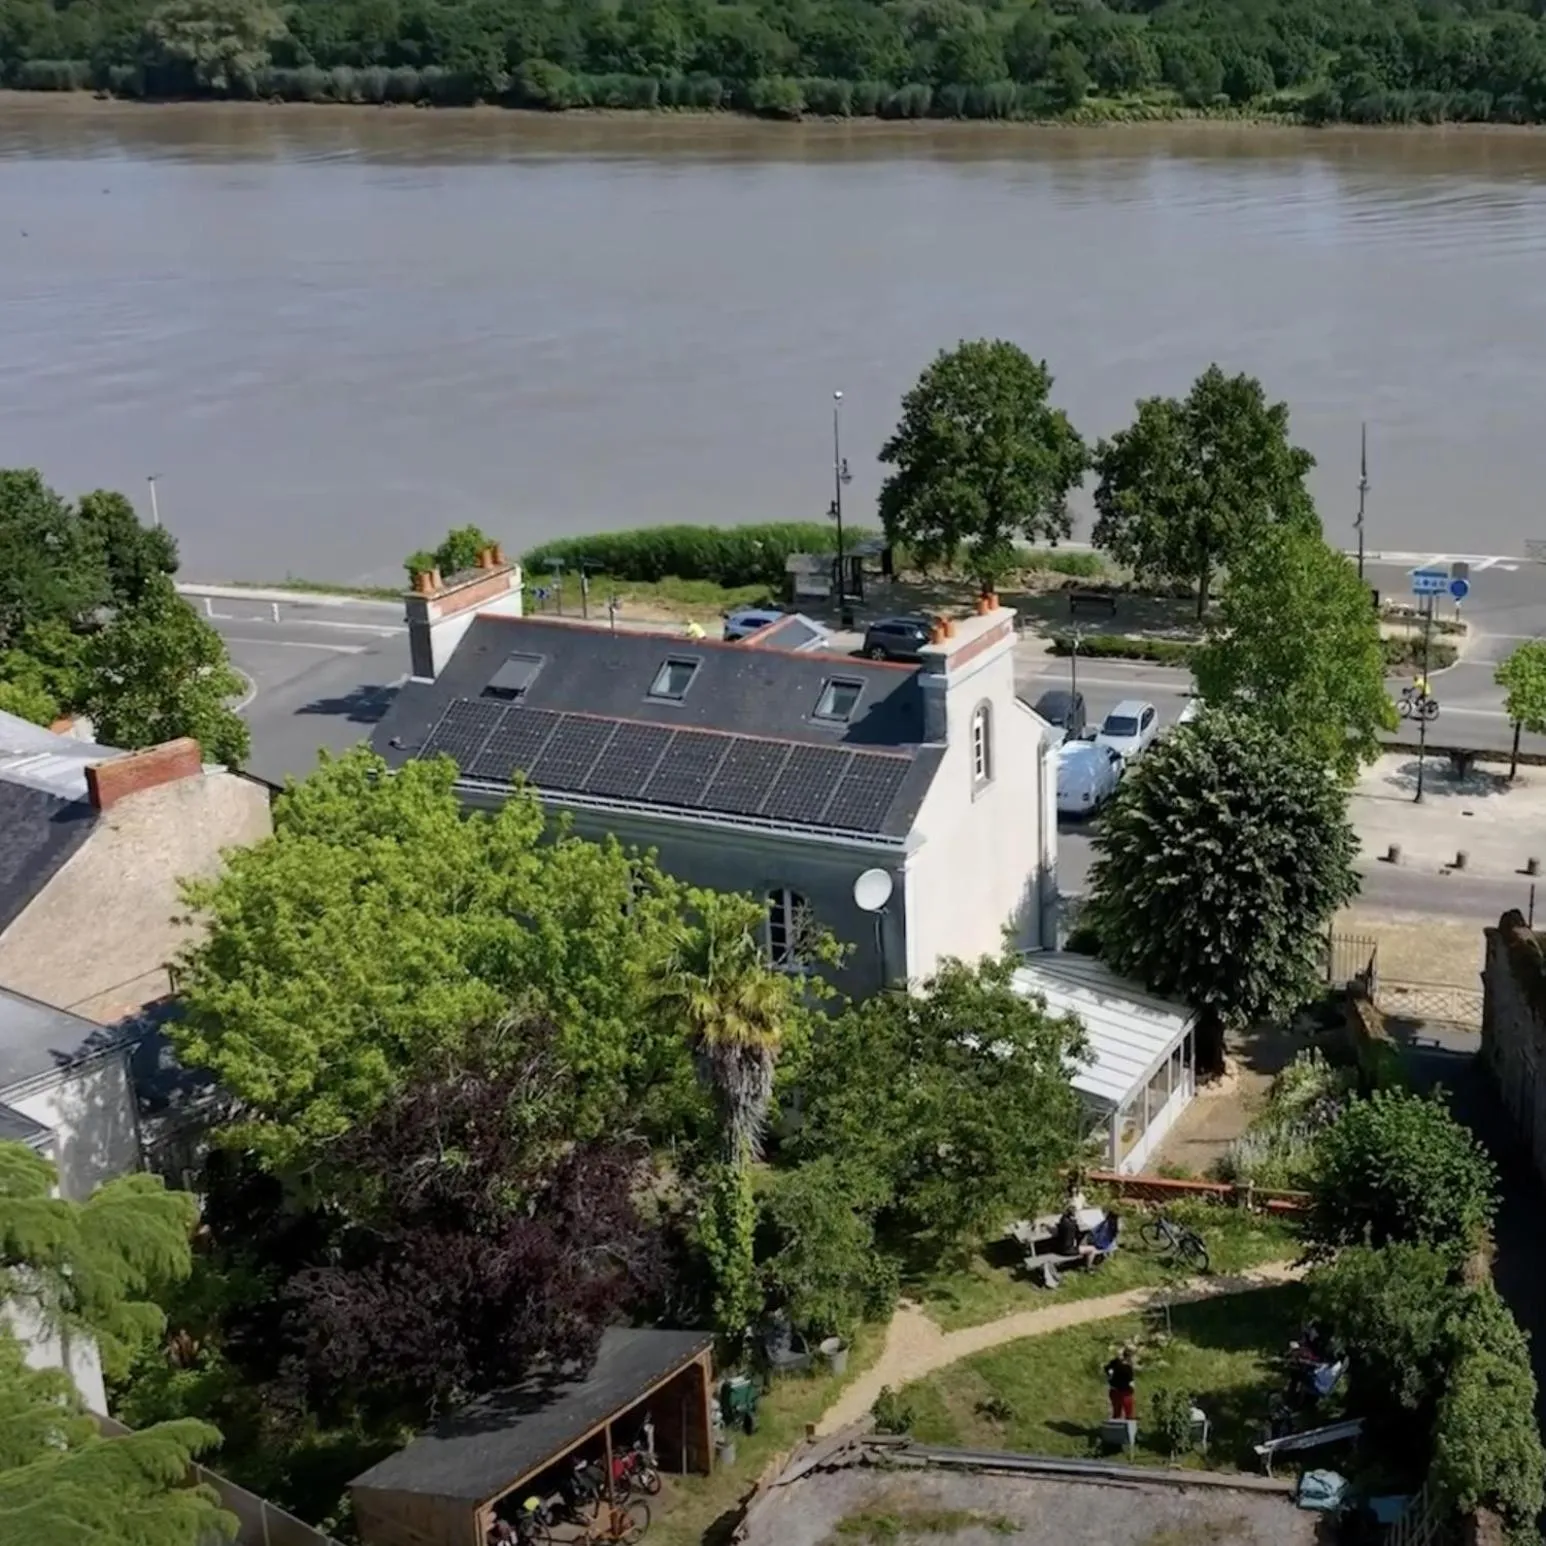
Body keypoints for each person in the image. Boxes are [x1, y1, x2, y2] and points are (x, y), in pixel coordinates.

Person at [1105, 1345, 1136, 1421]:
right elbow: (1130, 1380)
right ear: (1129, 1357)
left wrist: (1110, 1375)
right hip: (1125, 1392)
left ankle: (1115, 1429)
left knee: (1116, 1413)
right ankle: (1127, 1430)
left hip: (1114, 1390)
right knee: (1128, 1414)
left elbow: (1107, 1368)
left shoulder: (1115, 1362)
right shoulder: (1127, 1367)